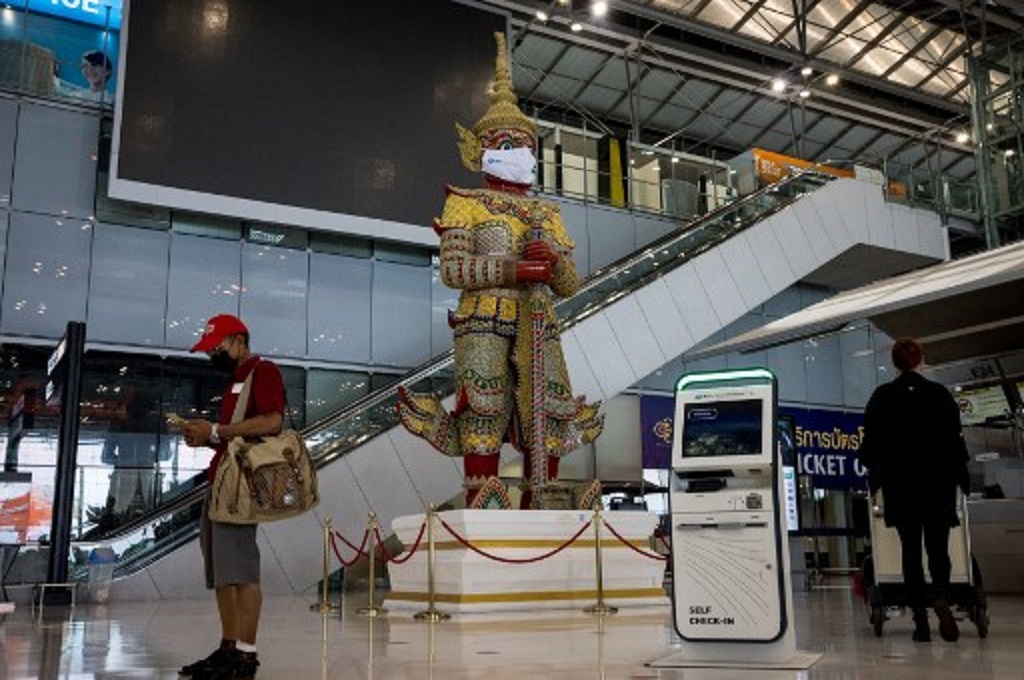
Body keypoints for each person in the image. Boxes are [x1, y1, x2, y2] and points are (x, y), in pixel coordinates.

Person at [397, 32, 602, 508]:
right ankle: (480, 502)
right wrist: (516, 268)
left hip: (539, 324)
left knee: (547, 415)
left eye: (527, 146)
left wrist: (550, 265)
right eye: (509, 144)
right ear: (481, 149)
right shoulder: (465, 204)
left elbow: (571, 283)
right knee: (484, 411)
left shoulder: (546, 214)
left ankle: (540, 503)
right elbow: (454, 269)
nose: (522, 154)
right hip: (484, 321)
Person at [178, 314, 285, 680]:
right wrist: (206, 437)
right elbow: (232, 436)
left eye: (217, 347)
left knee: (241, 571)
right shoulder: (234, 380)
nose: (213, 354)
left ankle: (246, 656)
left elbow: (273, 422)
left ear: (239, 340)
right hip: (221, 481)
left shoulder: (263, 371)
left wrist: (218, 430)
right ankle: (228, 648)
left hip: (241, 487)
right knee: (223, 573)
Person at [860, 338, 970, 643]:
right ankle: (941, 597)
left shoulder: (882, 396)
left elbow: (870, 447)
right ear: (921, 359)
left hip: (901, 485)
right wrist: (962, 479)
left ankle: (920, 622)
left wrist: (877, 479)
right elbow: (955, 441)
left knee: (910, 551)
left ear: (895, 363)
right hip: (938, 484)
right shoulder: (938, 395)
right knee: (938, 547)